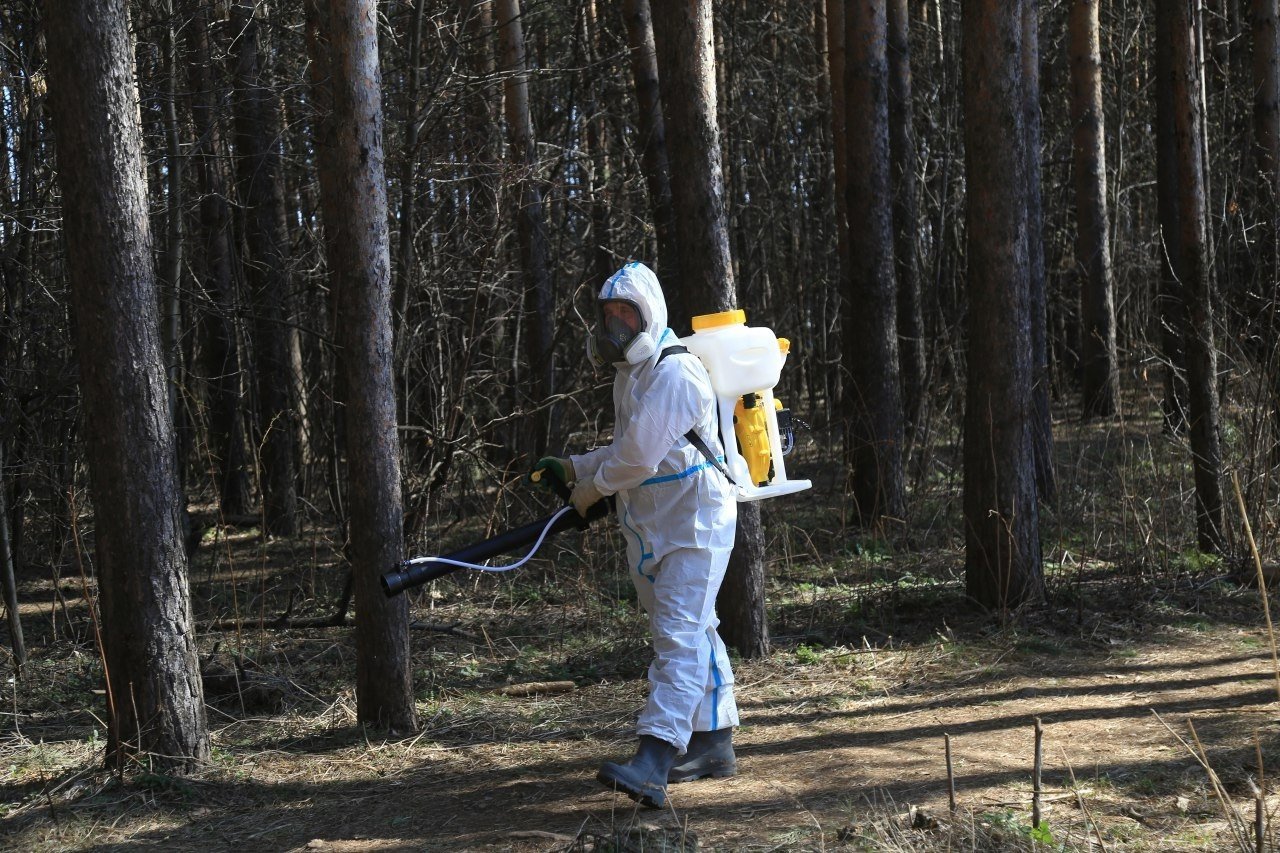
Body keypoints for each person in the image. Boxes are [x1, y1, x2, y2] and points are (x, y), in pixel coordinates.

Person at [531, 261, 740, 809]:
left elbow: (638, 458)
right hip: (657, 523)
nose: (616, 325)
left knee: (678, 636)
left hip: (695, 521)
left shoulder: (675, 373)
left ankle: (654, 757)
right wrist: (575, 468)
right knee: (693, 629)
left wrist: (592, 489)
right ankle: (714, 740)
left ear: (650, 315)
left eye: (626, 313)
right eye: (609, 315)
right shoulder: (633, 375)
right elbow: (629, 447)